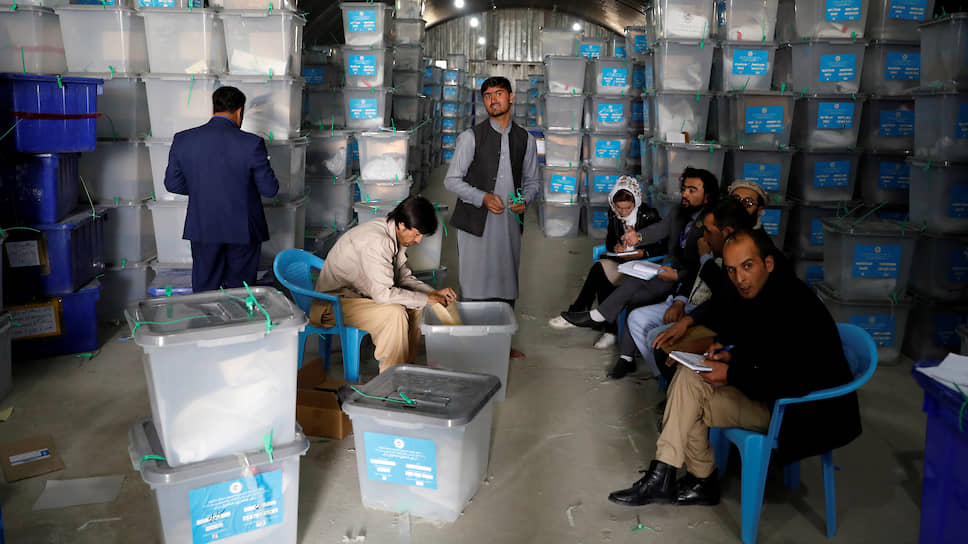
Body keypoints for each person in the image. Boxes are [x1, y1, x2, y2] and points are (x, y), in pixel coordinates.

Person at [608, 229, 861, 508]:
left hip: (800, 410)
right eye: (731, 270)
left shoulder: (794, 304)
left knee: (688, 402)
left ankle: (689, 478)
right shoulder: (762, 291)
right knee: (688, 379)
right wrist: (730, 354)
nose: (739, 278)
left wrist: (730, 372)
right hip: (772, 394)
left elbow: (791, 378)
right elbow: (762, 348)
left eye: (747, 266)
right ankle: (678, 476)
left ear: (768, 263)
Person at [560, 167, 721, 378]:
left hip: (687, 282)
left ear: (707, 195)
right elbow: (660, 229)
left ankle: (602, 321)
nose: (685, 194)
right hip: (668, 271)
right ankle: (625, 356)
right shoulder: (678, 212)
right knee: (635, 288)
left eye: (692, 190)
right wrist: (638, 237)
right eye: (684, 189)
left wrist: (677, 277)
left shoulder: (712, 225)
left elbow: (701, 268)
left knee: (635, 291)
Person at [444, 76, 541, 358]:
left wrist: (525, 200)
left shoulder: (525, 139)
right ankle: (472, 346)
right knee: (474, 283)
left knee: (505, 281)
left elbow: (533, 182)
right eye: (487, 96)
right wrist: (482, 197)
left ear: (511, 97)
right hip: (475, 222)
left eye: (499, 93)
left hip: (509, 222)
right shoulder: (470, 137)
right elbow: (452, 180)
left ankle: (501, 344)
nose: (493, 100)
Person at [310, 196, 458, 374]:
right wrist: (426, 298)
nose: (418, 240)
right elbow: (383, 294)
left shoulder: (392, 233)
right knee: (394, 313)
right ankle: (391, 380)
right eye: (417, 234)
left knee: (416, 307)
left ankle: (406, 370)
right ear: (402, 225)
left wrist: (433, 294)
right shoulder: (378, 241)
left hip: (355, 298)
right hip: (330, 305)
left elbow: (404, 278)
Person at [164, 86, 280, 292]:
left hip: (203, 227)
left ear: (213, 109)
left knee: (205, 291)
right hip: (244, 230)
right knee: (241, 293)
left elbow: (172, 183)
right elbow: (270, 189)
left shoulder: (183, 139)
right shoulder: (252, 143)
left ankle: (206, 314)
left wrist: (203, 189)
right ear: (239, 112)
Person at [626, 199, 755, 382]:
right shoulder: (710, 245)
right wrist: (679, 302)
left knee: (658, 338)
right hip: (690, 305)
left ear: (727, 232)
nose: (704, 236)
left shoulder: (742, 256)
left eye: (709, 231)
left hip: (712, 316)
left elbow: (724, 296)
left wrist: (705, 259)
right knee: (637, 318)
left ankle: (669, 380)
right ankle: (662, 377)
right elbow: (693, 275)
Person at [548, 176, 663, 349]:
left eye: (628, 208)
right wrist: (616, 247)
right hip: (625, 263)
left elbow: (663, 247)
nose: (623, 212)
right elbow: (610, 241)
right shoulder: (614, 214)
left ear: (636, 202)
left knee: (603, 275)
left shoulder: (649, 215)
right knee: (600, 269)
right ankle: (593, 320)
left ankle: (596, 322)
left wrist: (642, 252)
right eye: (619, 207)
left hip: (645, 266)